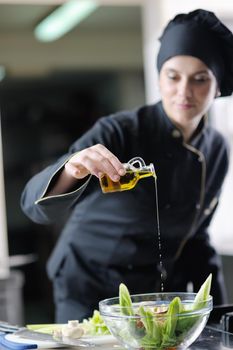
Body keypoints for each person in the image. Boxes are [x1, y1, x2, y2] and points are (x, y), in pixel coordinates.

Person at [21, 9, 233, 323]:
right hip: (89, 284)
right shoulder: (119, 131)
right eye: (173, 76)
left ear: (217, 87)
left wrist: (218, 316)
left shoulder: (217, 149)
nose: (184, 91)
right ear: (160, 75)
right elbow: (33, 207)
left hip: (155, 289)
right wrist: (72, 168)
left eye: (200, 79)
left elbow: (196, 239)